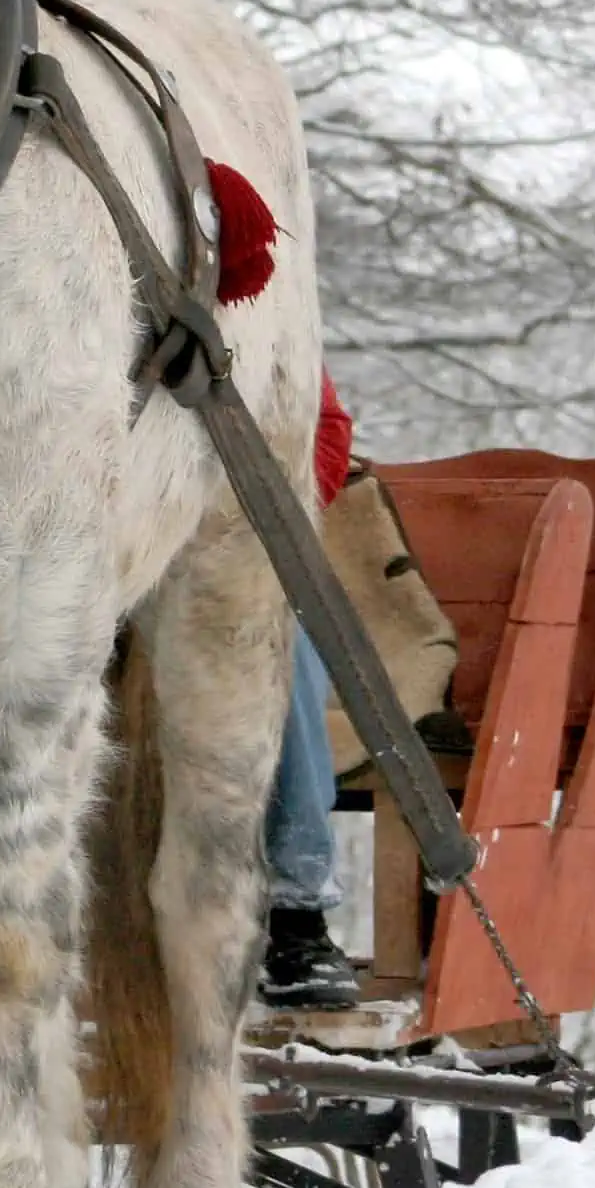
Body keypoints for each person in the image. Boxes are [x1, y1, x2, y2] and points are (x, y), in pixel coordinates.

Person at [261, 374, 365, 1009]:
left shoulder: (265, 300)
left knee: (282, 642)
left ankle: (295, 914)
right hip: (91, 542)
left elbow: (326, 427)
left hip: (231, 540)